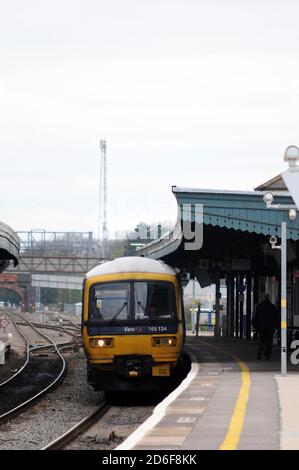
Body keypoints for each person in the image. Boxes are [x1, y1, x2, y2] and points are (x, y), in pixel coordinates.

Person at [252, 295, 280, 360]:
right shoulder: (273, 307)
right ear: (269, 299)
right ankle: (267, 354)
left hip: (261, 328)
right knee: (269, 342)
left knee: (261, 341)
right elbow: (276, 318)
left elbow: (255, 317)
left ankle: (260, 351)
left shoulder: (259, 306)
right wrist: (277, 326)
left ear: (263, 299)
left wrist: (255, 326)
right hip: (270, 328)